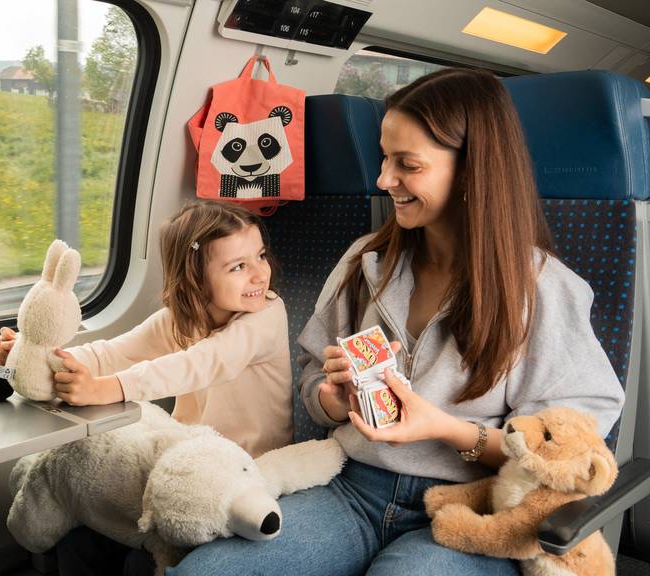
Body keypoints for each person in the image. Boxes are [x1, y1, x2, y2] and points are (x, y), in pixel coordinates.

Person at [167, 68, 625, 576]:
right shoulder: (367, 260)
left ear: (472, 169)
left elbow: (563, 452)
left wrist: (448, 431)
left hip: (468, 506)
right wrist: (331, 398)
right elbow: (311, 371)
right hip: (350, 487)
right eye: (385, 157)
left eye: (407, 164)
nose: (384, 179)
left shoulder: (544, 290)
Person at [0, 200, 294, 575]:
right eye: (238, 266)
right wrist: (38, 358)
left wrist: (107, 390)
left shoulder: (266, 314)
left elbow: (198, 365)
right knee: (80, 543)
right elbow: (111, 353)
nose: (259, 274)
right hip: (182, 462)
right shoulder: (178, 321)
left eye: (260, 256)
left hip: (249, 472)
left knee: (139, 562)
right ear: (196, 277)